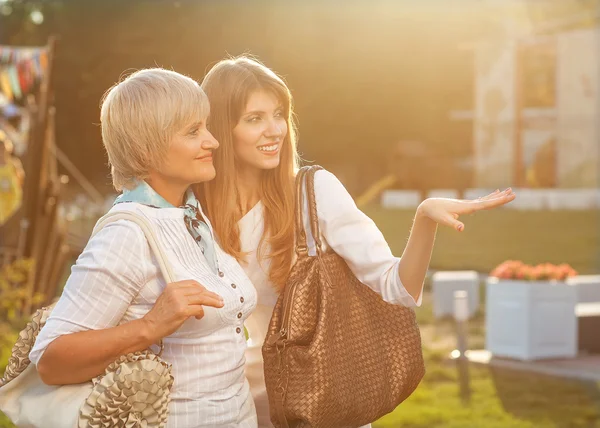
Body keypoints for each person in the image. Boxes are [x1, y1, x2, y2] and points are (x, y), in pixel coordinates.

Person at [198, 55, 516, 427]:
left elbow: (396, 286)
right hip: (246, 399)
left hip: (324, 396)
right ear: (222, 127)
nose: (274, 130)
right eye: (254, 118)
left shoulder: (314, 192)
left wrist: (424, 217)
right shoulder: (198, 213)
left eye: (279, 114)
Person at [29, 68, 258, 427]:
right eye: (193, 131)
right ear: (145, 147)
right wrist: (151, 325)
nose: (212, 141)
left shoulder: (190, 212)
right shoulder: (126, 234)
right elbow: (50, 360)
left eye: (206, 126)